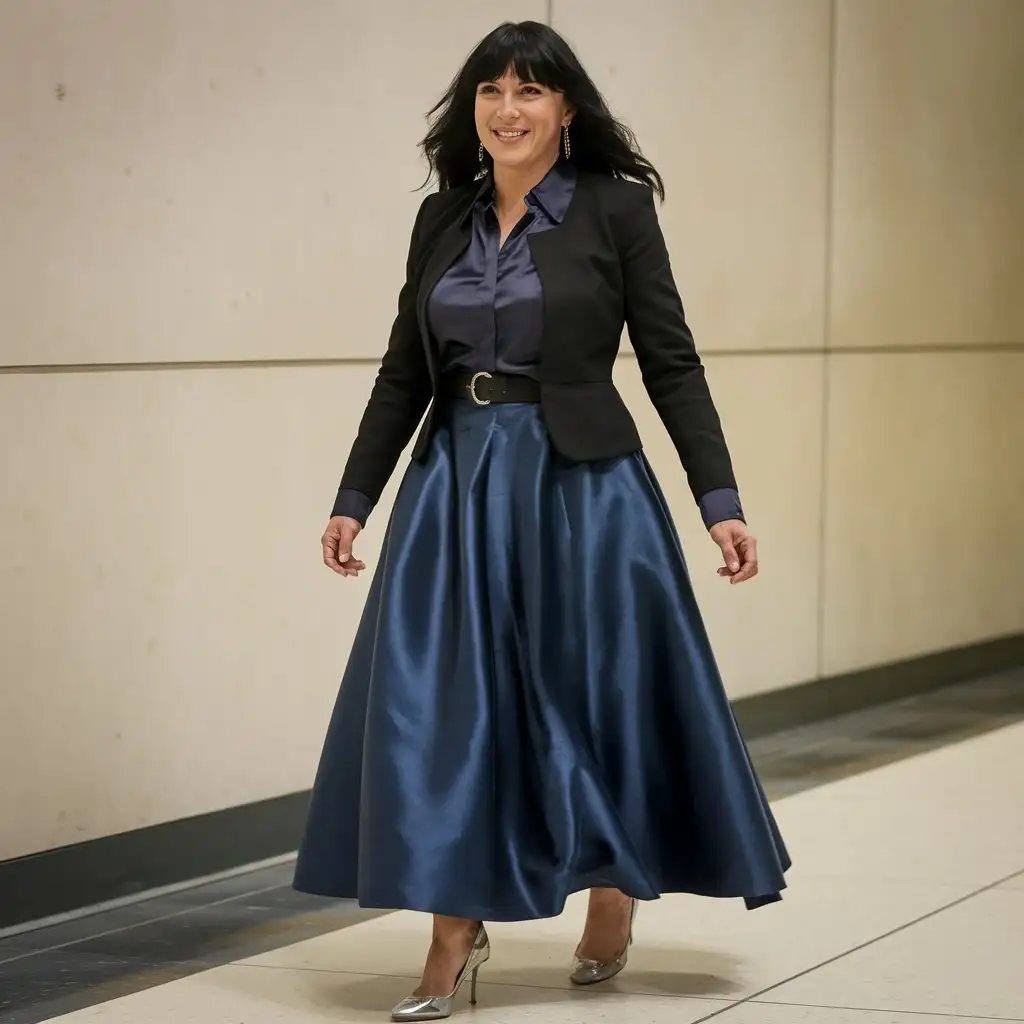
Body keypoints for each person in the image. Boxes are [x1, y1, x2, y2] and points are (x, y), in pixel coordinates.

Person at [294, 20, 790, 1023]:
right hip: (453, 487)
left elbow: (670, 360)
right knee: (445, 713)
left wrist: (719, 501)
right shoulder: (441, 219)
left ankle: (610, 883)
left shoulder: (616, 210)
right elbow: (403, 370)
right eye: (490, 90)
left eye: (529, 91)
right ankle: (450, 932)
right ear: (470, 108)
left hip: (582, 491)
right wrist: (355, 496)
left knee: (592, 696)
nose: (506, 109)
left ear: (567, 108)